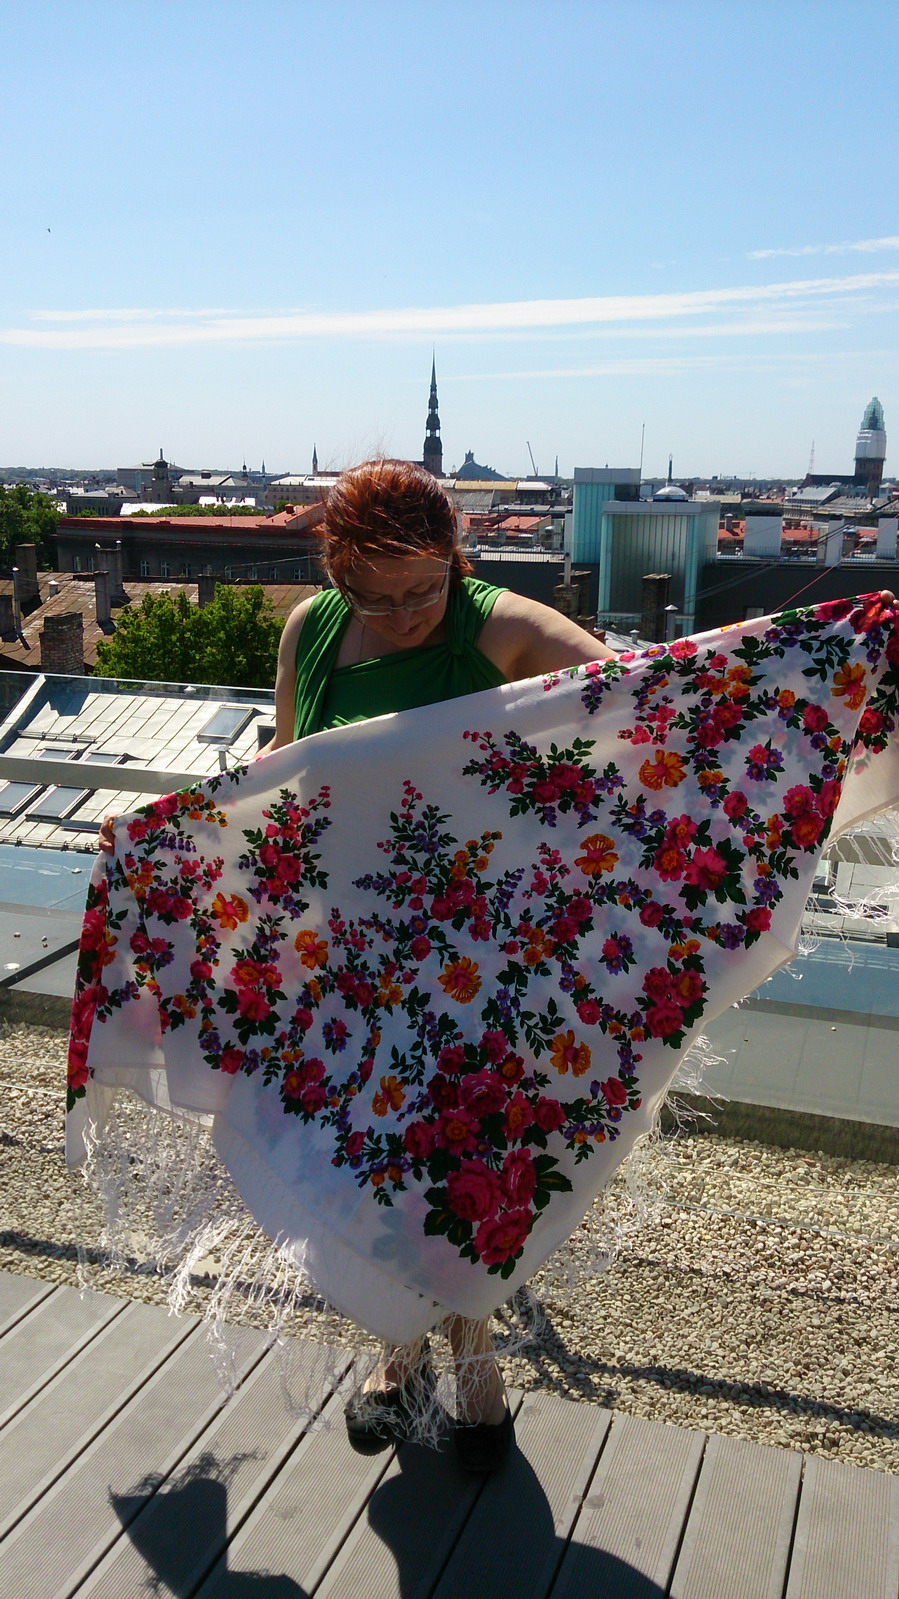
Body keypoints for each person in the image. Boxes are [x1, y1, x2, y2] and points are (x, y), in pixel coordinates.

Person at [262, 458, 616, 1469]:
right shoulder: (312, 630)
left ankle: (472, 1374)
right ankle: (401, 1355)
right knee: (375, 1161)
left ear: (454, 558)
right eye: (375, 597)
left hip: (477, 966)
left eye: (423, 588)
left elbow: (648, 700)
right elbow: (282, 779)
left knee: (464, 1167)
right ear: (334, 572)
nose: (406, 614)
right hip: (354, 956)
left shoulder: (499, 624)